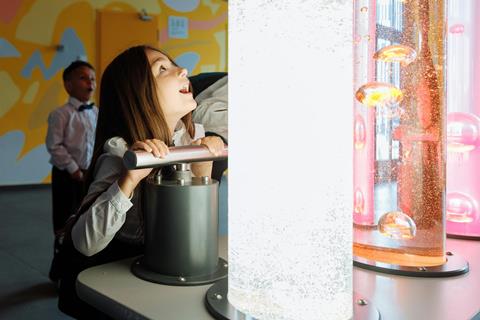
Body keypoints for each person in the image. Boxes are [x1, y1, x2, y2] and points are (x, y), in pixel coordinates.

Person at [56, 45, 224, 319]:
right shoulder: (121, 154)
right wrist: (130, 177)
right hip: (115, 268)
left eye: (173, 64)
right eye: (163, 68)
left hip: (163, 257)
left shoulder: (190, 138)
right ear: (139, 95)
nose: (182, 70)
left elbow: (191, 220)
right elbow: (85, 243)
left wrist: (204, 163)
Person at [45, 60, 97, 281]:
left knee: (84, 220)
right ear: (68, 85)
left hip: (89, 174)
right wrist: (73, 169)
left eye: (93, 78)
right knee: (64, 222)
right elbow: (54, 145)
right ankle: (59, 273)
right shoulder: (60, 114)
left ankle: (80, 270)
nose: (90, 83)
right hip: (66, 175)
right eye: (83, 78)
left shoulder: (96, 112)